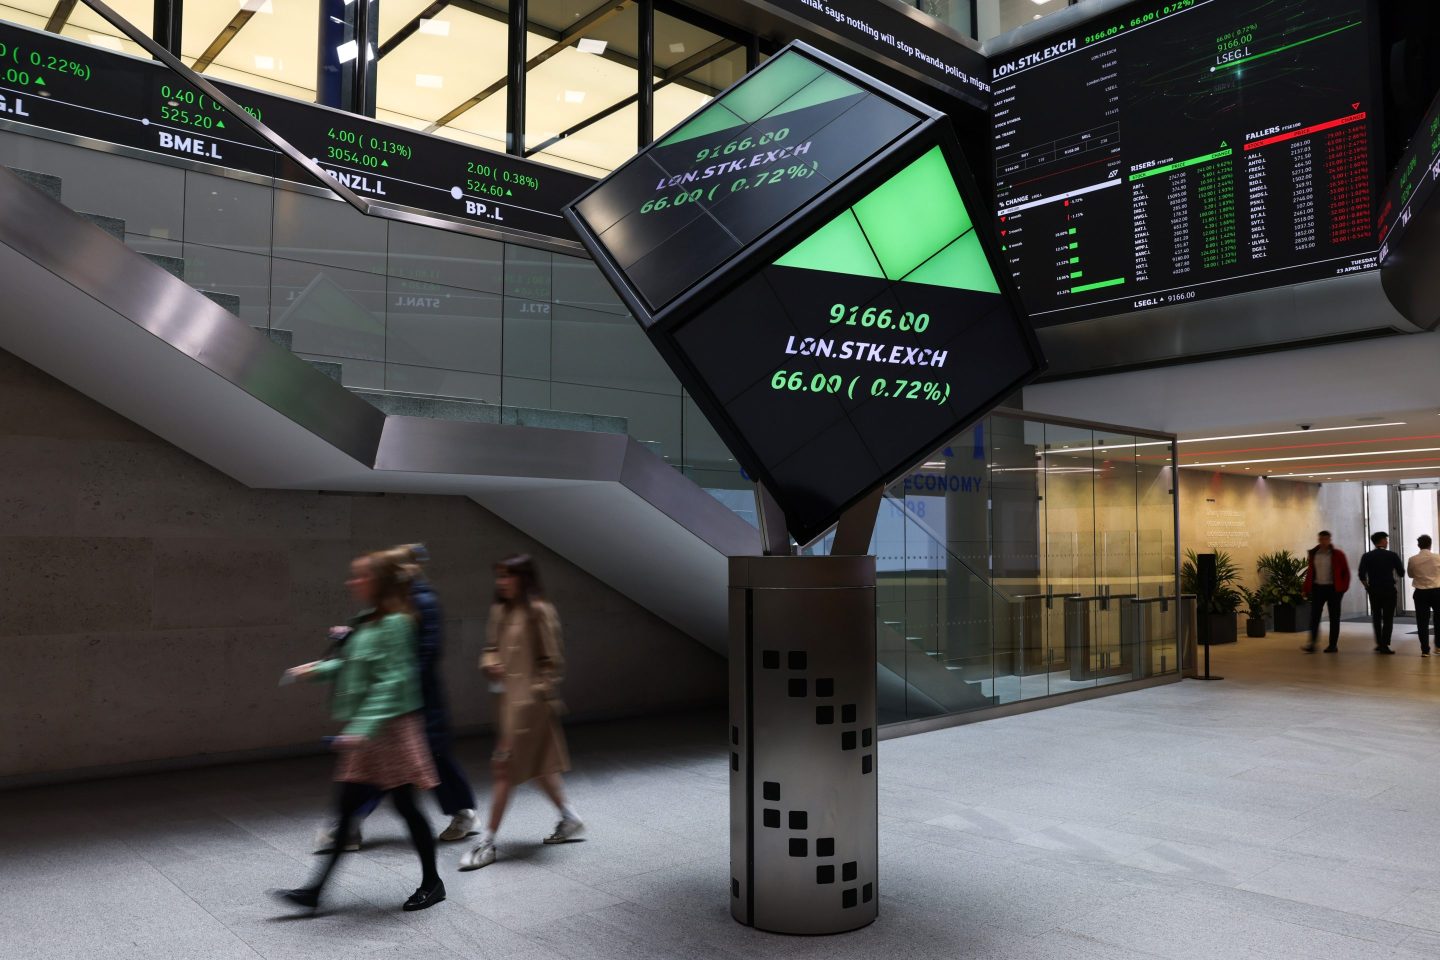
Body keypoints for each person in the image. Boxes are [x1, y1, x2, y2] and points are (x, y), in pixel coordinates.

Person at [278, 551, 445, 912]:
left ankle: (432, 883)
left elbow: (393, 681)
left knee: (406, 808)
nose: (352, 582)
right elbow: (355, 663)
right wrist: (316, 670)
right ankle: (315, 891)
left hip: (391, 728)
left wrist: (362, 730)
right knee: (347, 808)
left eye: (360, 577)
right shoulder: (368, 620)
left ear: (379, 582)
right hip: (370, 730)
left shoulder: (397, 623)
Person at [315, 544, 479, 853]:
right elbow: (376, 642)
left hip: (415, 700)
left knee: (429, 761)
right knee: (383, 765)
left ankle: (462, 813)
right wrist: (351, 639)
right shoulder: (392, 600)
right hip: (397, 701)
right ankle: (351, 824)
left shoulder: (423, 600)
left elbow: (423, 653)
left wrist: (396, 690)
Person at [460, 554, 583, 870]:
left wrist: (535, 695)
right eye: (499, 576)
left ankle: (487, 841)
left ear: (524, 578)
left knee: (503, 768)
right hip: (506, 704)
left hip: (530, 709)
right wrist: (491, 664)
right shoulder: (501, 610)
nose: (502, 582)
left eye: (508, 576)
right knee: (540, 768)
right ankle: (570, 819)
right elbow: (489, 649)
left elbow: (551, 663)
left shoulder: (539, 611)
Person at [1302, 530, 1350, 653]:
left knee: (1334, 618)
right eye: (1321, 539)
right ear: (1319, 540)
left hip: (1334, 589)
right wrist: (1306, 588)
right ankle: (1312, 643)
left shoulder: (1338, 554)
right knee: (1314, 617)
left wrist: (1342, 589)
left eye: (1326, 539)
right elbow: (1310, 573)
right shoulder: (1314, 554)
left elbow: (1346, 572)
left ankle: (1333, 645)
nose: (1323, 542)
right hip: (1318, 588)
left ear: (1329, 540)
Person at [1359, 532, 1404, 654]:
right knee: (1388, 618)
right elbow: (1401, 572)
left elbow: (1361, 575)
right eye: (1386, 540)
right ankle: (1385, 644)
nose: (1387, 542)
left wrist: (1367, 587)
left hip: (1374, 590)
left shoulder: (1367, 556)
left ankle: (1379, 643)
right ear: (1382, 540)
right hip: (1389, 590)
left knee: (1376, 617)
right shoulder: (1392, 555)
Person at [1408, 535, 1440, 657]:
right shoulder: (1437, 558)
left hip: (1420, 592)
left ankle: (1425, 650)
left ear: (1418, 545)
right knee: (1439, 620)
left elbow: (1410, 575)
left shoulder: (1413, 559)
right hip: (1437, 591)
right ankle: (1438, 646)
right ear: (1430, 544)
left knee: (1422, 621)